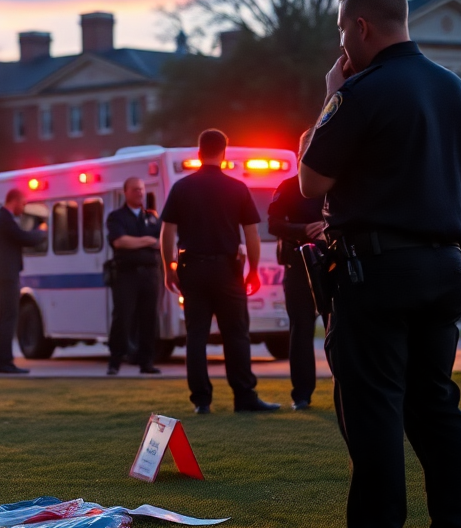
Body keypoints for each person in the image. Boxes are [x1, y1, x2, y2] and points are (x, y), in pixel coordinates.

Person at [301, 0, 461, 528]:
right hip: (445, 263)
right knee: (436, 405)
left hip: (376, 267)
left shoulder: (362, 91)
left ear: (360, 27)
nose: (341, 46)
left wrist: (332, 96)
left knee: (373, 408)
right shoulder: (457, 90)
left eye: (340, 32)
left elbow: (312, 183)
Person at [160, 129, 279, 415]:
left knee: (196, 335)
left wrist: (168, 269)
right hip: (227, 269)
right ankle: (244, 396)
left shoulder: (182, 187)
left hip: (193, 269)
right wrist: (251, 270)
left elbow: (167, 233)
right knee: (236, 334)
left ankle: (202, 400)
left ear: (199, 153)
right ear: (223, 153)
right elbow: (251, 234)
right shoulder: (237, 188)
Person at [267, 128, 326, 410]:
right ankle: (301, 395)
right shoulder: (288, 186)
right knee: (300, 330)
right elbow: (273, 224)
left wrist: (328, 229)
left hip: (330, 262)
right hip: (298, 264)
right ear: (300, 152)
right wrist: (303, 229)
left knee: (339, 330)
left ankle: (349, 389)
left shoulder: (333, 185)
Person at [105, 178, 163, 376]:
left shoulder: (152, 218)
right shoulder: (117, 217)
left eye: (142, 189)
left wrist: (140, 241)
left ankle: (146, 362)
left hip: (150, 274)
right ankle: (114, 362)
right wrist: (147, 240)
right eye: (135, 189)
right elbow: (120, 241)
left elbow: (162, 242)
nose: (140, 193)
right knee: (123, 317)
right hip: (126, 275)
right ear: (126, 192)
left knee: (149, 318)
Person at [0, 188, 46, 374]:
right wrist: (41, 231)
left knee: (6, 317)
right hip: (5, 275)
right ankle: (4, 363)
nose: (24, 206)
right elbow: (24, 238)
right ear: (15, 201)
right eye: (23, 202)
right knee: (8, 317)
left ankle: (2, 362)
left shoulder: (0, 219)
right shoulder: (4, 219)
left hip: (1, 274)